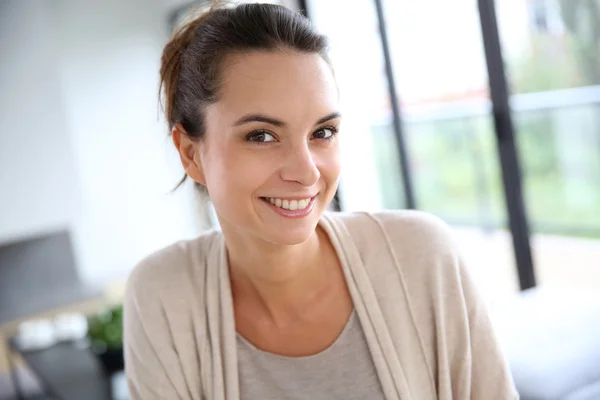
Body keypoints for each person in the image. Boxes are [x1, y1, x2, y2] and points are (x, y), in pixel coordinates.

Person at [123, 2, 518, 399]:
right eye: (261, 135)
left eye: (323, 132)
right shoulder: (162, 296)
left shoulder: (421, 256)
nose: (308, 172)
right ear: (191, 153)